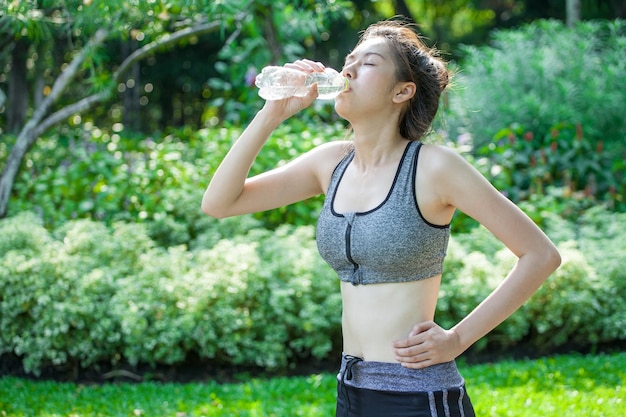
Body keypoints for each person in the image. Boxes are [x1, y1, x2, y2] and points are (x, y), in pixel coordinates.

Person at [202, 19, 561, 417]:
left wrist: (457, 338)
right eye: (348, 61)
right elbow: (219, 203)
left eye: (368, 63)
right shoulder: (330, 163)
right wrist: (271, 115)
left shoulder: (434, 168)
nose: (348, 70)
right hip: (350, 390)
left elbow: (540, 255)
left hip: (417, 396)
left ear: (402, 91)